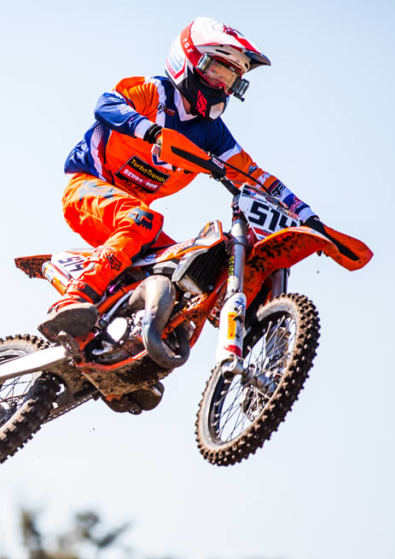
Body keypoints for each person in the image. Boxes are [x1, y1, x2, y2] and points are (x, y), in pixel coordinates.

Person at [40, 17, 321, 339]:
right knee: (143, 220)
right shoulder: (154, 93)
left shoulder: (213, 134)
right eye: (217, 71)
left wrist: (308, 218)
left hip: (133, 220)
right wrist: (152, 132)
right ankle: (72, 300)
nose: (222, 86)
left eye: (231, 79)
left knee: (188, 270)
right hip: (87, 188)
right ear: (188, 62)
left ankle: (138, 350)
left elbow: (254, 176)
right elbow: (107, 104)